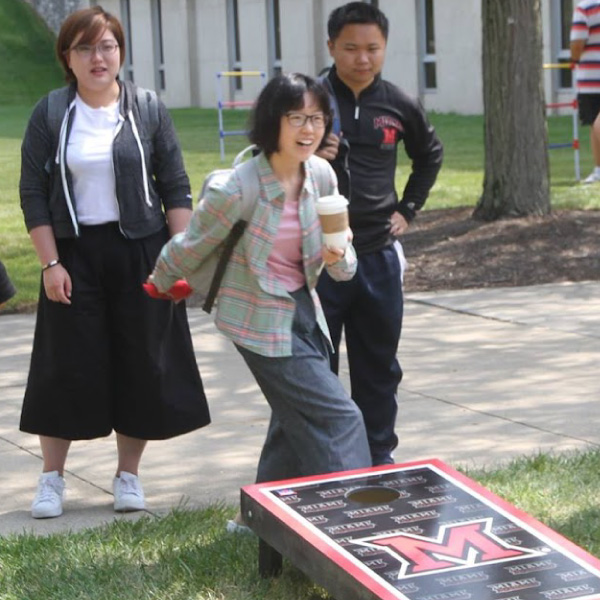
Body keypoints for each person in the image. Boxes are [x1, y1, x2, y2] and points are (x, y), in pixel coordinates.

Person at [149, 73, 372, 513]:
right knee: (340, 418)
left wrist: (337, 256)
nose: (309, 129)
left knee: (290, 423)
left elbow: (345, 264)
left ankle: (258, 522)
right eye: (297, 118)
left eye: (317, 118)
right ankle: (355, 526)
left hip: (305, 309)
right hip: (258, 319)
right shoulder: (238, 187)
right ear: (273, 121)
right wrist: (159, 283)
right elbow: (192, 244)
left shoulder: (322, 177)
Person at [19, 6, 209, 519]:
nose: (97, 57)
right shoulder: (51, 113)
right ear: (68, 57)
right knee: (64, 367)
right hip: (73, 255)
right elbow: (33, 192)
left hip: (141, 252)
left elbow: (175, 184)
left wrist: (178, 256)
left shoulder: (147, 108)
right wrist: (49, 263)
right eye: (85, 47)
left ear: (120, 52)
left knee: (141, 362)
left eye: (107, 46)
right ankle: (51, 480)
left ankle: (129, 476)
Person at [316, 2, 443, 466]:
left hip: (377, 254)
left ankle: (378, 458)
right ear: (331, 46)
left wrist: (408, 209)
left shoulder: (397, 101)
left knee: (378, 367)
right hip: (317, 256)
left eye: (373, 48)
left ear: (385, 47)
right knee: (316, 368)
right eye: (350, 48)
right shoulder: (309, 100)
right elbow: (269, 155)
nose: (362, 58)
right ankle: (326, 460)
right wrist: (313, 150)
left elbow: (430, 154)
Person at [571, 0, 600, 184]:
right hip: (591, 79)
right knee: (593, 124)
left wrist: (573, 59)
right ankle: (598, 170)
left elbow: (577, 43)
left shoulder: (585, 8)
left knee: (596, 124)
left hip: (591, 76)